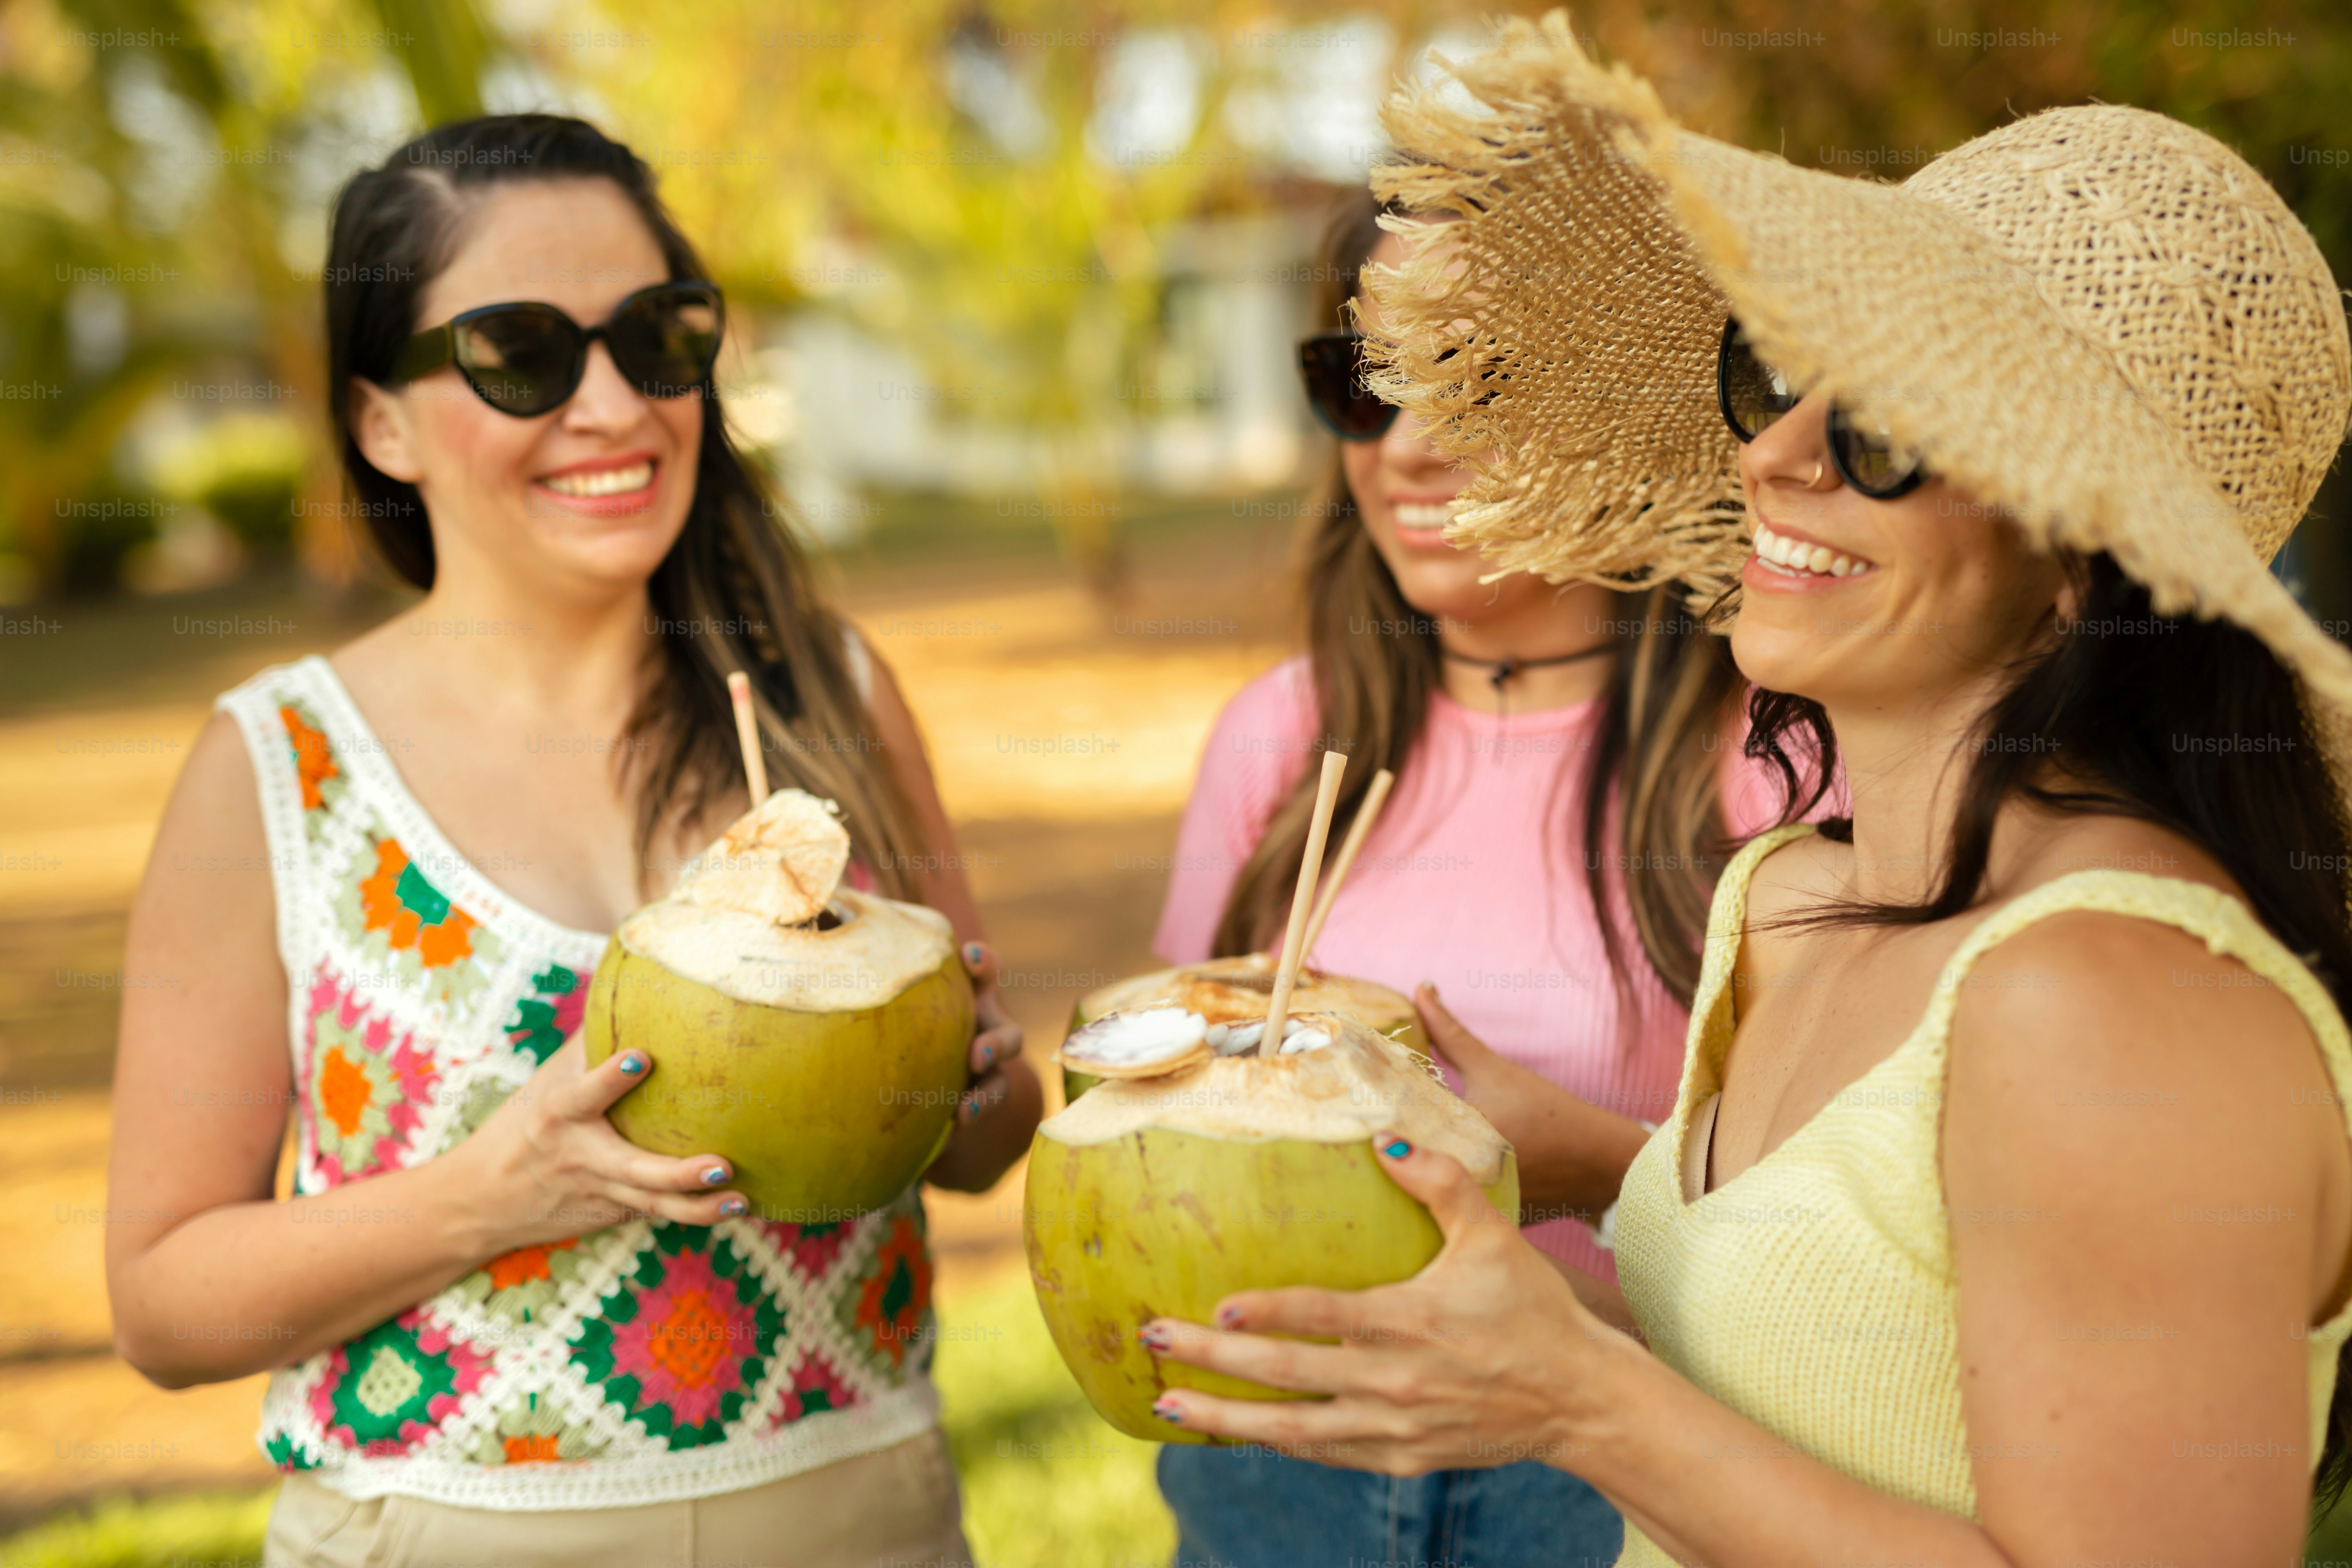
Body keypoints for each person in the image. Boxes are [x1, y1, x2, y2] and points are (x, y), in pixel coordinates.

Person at [1143, 19, 2352, 1564]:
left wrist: (1577, 1404)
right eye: (1776, 374)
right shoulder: (1790, 889)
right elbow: (1823, 1356)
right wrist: (1570, 1185)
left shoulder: (2112, 1000)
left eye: (1888, 430)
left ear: (2076, 563)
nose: (1777, 453)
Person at [103, 115, 1039, 1568]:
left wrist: (977, 1086)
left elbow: (979, 1152)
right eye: (519, 354)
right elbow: (164, 1304)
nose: (615, 405)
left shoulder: (827, 694)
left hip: (864, 1517)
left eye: (657, 335)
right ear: (382, 423)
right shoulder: (278, 768)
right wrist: (492, 1197)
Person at [1149, 187, 1792, 1568]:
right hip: (1281, 1462)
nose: (1411, 448)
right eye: (1363, 386)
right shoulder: (1278, 735)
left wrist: (1604, 1175)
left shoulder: (1771, 754)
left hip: (1614, 1471)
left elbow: (1849, 1236)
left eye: (1475, 379)